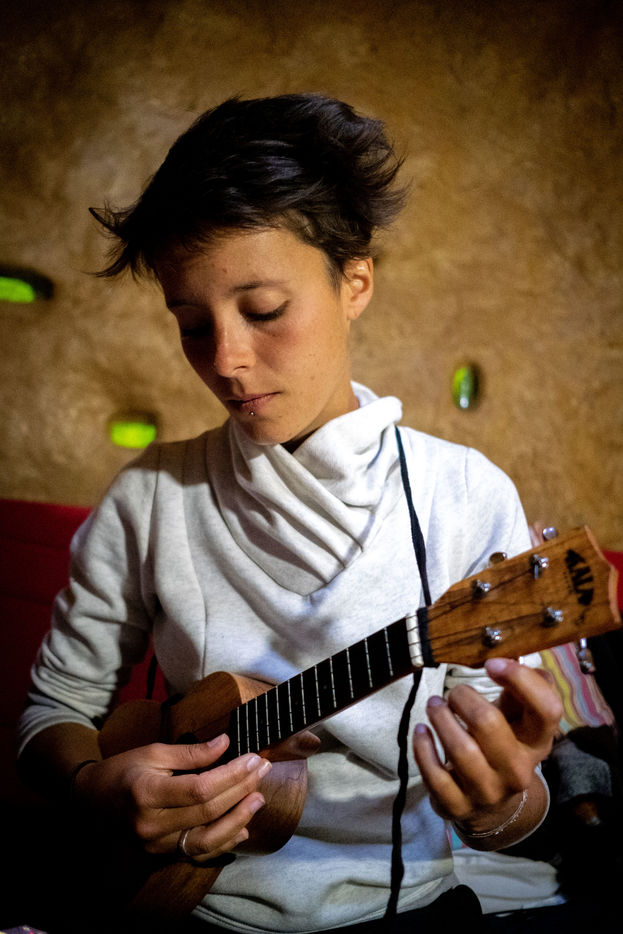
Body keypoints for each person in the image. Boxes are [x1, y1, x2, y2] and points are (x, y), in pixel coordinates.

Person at [17, 94, 562, 934]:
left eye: (264, 310)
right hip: (185, 906)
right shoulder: (151, 494)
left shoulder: (465, 495)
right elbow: (53, 712)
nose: (226, 360)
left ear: (355, 283)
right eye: (191, 325)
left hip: (407, 904)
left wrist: (500, 804)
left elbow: (508, 806)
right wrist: (96, 787)